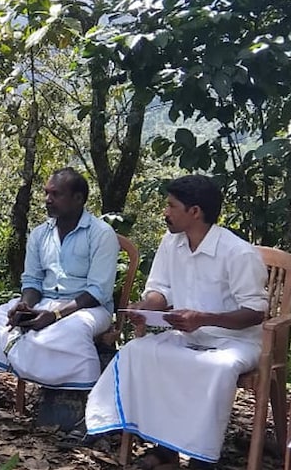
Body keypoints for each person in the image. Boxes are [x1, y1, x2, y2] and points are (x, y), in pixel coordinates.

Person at [85, 175, 269, 468]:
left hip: (235, 342)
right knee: (138, 351)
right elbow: (161, 290)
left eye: (171, 206)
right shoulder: (172, 242)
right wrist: (145, 308)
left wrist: (205, 319)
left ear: (194, 211)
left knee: (217, 368)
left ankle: (201, 457)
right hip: (188, 335)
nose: (165, 212)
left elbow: (255, 312)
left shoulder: (238, 253)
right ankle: (164, 449)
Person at [0, 168, 119, 425]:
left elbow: (97, 292)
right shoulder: (40, 233)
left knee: (71, 332)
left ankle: (85, 417)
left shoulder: (101, 234)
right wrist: (25, 306)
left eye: (56, 194)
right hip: (44, 301)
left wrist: (54, 315)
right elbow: (32, 281)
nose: (48, 199)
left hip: (88, 307)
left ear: (78, 198)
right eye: (46, 193)